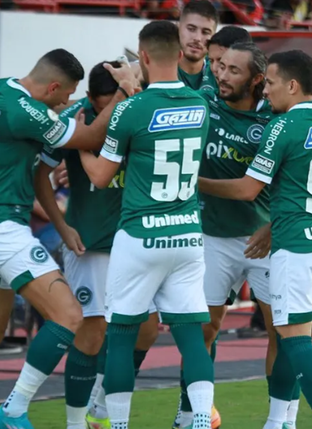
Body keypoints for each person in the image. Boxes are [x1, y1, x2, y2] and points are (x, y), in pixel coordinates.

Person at [0, 48, 137, 429]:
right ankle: (13, 409)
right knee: (70, 316)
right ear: (54, 85)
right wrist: (125, 91)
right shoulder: (26, 112)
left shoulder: (1, 89)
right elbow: (92, 133)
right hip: (1, 230)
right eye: (64, 94)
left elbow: (42, 125)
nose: (65, 101)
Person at [198, 50, 312, 429]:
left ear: (293, 86)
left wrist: (193, 182)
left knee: (296, 343)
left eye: (270, 83)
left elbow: (248, 189)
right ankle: (277, 423)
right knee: (288, 337)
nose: (265, 91)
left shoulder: (281, 127)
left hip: (295, 248)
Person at [77, 20, 214, 429]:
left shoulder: (130, 109)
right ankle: (202, 420)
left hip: (140, 237)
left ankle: (116, 425)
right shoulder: (201, 105)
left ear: (145, 57)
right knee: (193, 340)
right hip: (188, 235)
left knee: (120, 336)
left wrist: (84, 147)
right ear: (179, 54)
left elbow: (101, 177)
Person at [35, 61, 160, 429]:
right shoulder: (73, 119)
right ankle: (76, 423)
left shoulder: (139, 107)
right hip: (89, 242)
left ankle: (100, 407)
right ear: (91, 100)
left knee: (148, 327)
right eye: (109, 104)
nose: (116, 112)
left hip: (135, 239)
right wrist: (60, 225)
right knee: (93, 331)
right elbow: (39, 174)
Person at [172, 42, 274, 429]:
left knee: (281, 333)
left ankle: (279, 420)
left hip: (264, 237)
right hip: (213, 237)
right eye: (221, 66)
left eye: (233, 70)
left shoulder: (272, 121)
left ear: (257, 80)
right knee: (204, 328)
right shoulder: (204, 102)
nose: (222, 75)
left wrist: (273, 224)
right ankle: (191, 415)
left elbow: (279, 183)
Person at [177, 0, 219, 90]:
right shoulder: (156, 69)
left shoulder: (220, 74)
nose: (197, 38)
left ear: (213, 36)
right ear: (178, 28)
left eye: (205, 32)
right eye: (191, 29)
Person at [201, 25, 252, 93]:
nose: (214, 68)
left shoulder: (267, 97)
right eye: (211, 61)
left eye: (221, 61)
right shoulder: (205, 93)